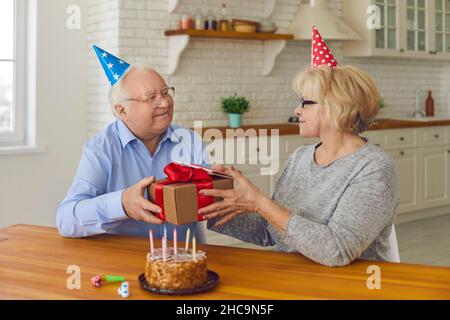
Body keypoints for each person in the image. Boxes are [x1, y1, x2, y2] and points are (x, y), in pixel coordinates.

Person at [200, 27, 400, 267]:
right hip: (292, 276)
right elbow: (269, 232)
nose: (297, 110)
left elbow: (337, 251)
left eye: (306, 102)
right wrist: (211, 200)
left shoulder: (373, 167)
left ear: (339, 106)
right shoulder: (301, 157)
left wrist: (262, 204)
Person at [57, 46, 208, 241]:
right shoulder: (101, 149)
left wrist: (219, 187)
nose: (164, 103)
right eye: (151, 97)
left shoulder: (190, 141)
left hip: (183, 259)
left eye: (165, 92)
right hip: (123, 263)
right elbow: (66, 220)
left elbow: (212, 204)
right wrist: (121, 204)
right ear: (122, 111)